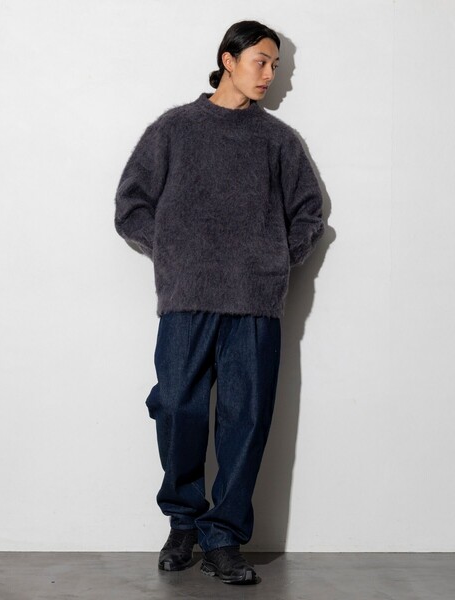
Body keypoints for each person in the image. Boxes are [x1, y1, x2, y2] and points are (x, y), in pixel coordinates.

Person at [114, 20, 324, 585]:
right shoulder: (174, 129)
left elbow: (309, 212)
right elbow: (130, 206)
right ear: (228, 60)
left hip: (254, 300)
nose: (271, 75)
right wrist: (174, 254)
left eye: (276, 66)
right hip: (187, 297)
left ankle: (224, 536)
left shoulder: (278, 141)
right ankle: (183, 520)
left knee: (246, 419)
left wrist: (275, 259)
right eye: (261, 61)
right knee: (177, 405)